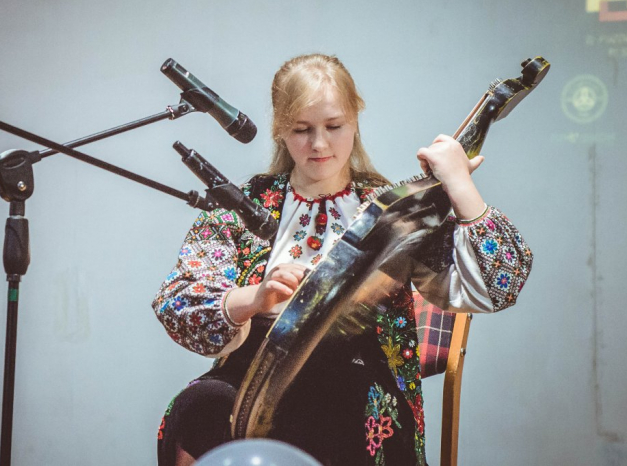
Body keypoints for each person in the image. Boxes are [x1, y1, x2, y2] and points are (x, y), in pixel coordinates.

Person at [152, 54, 533, 466]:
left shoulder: (387, 210)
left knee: (332, 405)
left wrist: (460, 185)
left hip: (355, 374)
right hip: (254, 373)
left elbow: (497, 287)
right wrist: (254, 298)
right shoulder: (244, 206)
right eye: (302, 130)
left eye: (334, 127)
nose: (319, 144)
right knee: (199, 405)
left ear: (355, 121)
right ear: (280, 129)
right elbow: (178, 298)